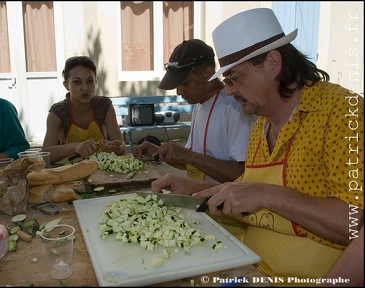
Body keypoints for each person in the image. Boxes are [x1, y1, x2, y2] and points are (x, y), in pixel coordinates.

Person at [150, 8, 364, 279]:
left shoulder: (342, 113)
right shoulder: (261, 123)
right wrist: (196, 190)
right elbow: (248, 200)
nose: (228, 90)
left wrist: (266, 194)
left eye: (233, 78)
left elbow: (354, 223)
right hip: (250, 270)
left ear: (273, 63)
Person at [133, 39, 256, 184]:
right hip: (202, 198)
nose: (179, 91)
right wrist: (159, 152)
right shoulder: (199, 104)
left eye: (185, 84)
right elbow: (193, 163)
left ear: (207, 73)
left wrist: (189, 156)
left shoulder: (235, 108)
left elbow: (243, 174)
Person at [42, 56, 126, 163]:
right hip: (70, 171)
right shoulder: (58, 112)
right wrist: (75, 147)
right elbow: (45, 155)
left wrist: (116, 148)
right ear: (66, 85)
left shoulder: (104, 106)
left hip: (102, 169)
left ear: (96, 82)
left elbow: (122, 146)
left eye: (90, 81)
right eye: (77, 82)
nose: (85, 88)